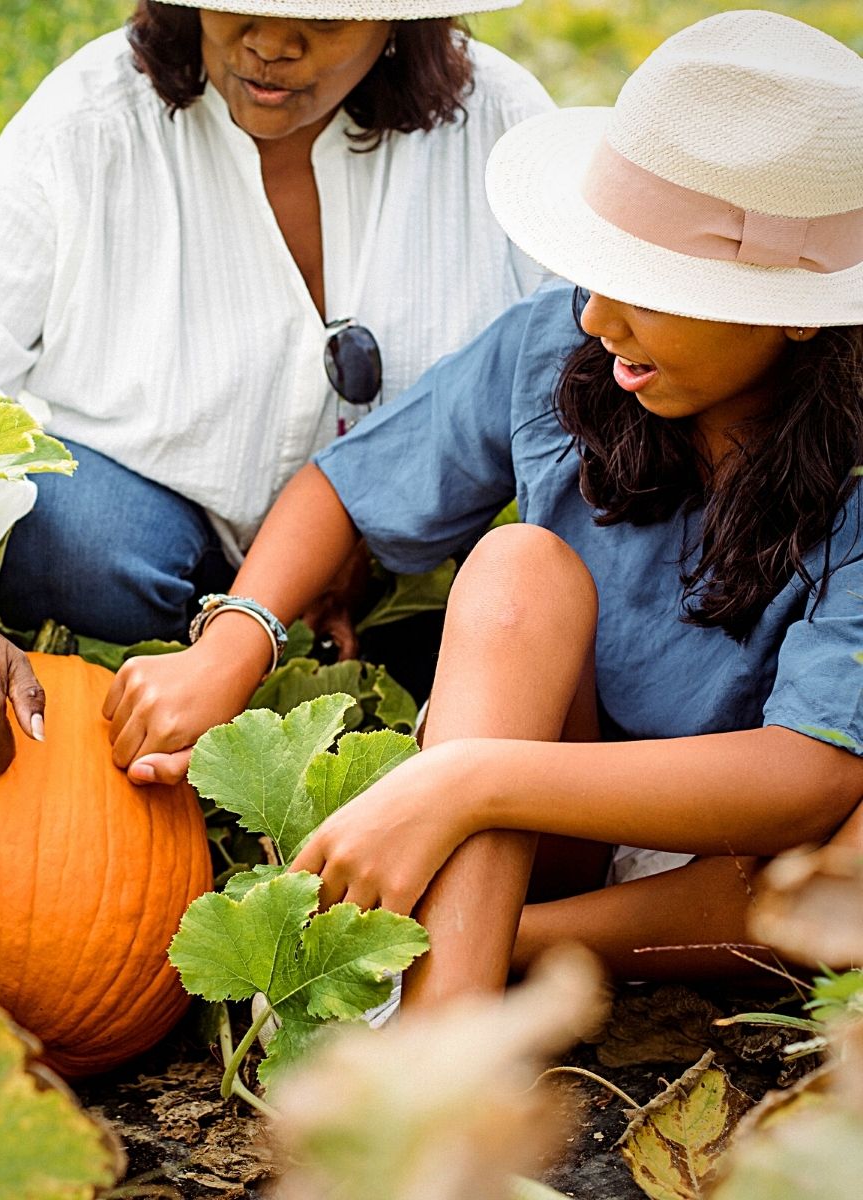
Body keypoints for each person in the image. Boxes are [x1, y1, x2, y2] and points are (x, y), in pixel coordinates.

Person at [106, 8, 863, 999]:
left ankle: (503, 944)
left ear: (799, 316)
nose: (598, 315)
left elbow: (809, 777)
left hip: (762, 871)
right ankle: (441, 1041)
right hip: (553, 819)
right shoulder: (564, 347)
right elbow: (345, 484)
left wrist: (465, 779)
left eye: (651, 287)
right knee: (516, 567)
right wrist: (235, 638)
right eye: (599, 267)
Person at [0, 0, 552, 775]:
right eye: (235, 5)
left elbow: (575, 364)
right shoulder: (91, 118)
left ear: (401, 21)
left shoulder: (497, 127)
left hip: (395, 567)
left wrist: (371, 524)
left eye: (327, 22)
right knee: (71, 537)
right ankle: (186, 669)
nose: (271, 43)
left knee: (494, 603)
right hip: (149, 543)